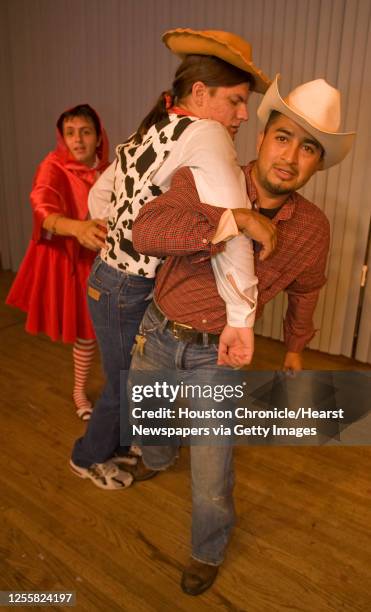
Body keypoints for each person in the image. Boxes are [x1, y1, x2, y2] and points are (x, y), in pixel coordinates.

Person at [130, 75, 355, 594]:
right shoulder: (210, 176)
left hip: (221, 356)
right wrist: (234, 220)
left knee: (212, 474)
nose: (291, 156)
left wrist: (296, 351)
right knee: (152, 424)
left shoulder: (313, 229)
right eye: (283, 138)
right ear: (260, 138)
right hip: (158, 332)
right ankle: (159, 458)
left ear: (318, 164)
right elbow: (147, 232)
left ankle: (207, 551)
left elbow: (306, 292)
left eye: (309, 149)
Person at [70, 28, 273, 489]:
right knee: (126, 384)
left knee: (129, 379)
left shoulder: (157, 126)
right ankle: (87, 456)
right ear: (200, 93)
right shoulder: (206, 133)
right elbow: (235, 227)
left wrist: (111, 229)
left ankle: (123, 444)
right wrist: (242, 314)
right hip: (128, 285)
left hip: (109, 278)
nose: (243, 115)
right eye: (236, 101)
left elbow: (102, 191)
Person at [6, 104, 110, 420]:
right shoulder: (53, 165)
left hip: (105, 260)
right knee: (86, 330)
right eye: (70, 133)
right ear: (62, 137)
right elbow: (41, 206)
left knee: (111, 333)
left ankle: (114, 394)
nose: (77, 140)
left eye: (85, 132)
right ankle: (79, 390)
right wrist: (77, 228)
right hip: (70, 261)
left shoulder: (109, 170)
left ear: (98, 137)